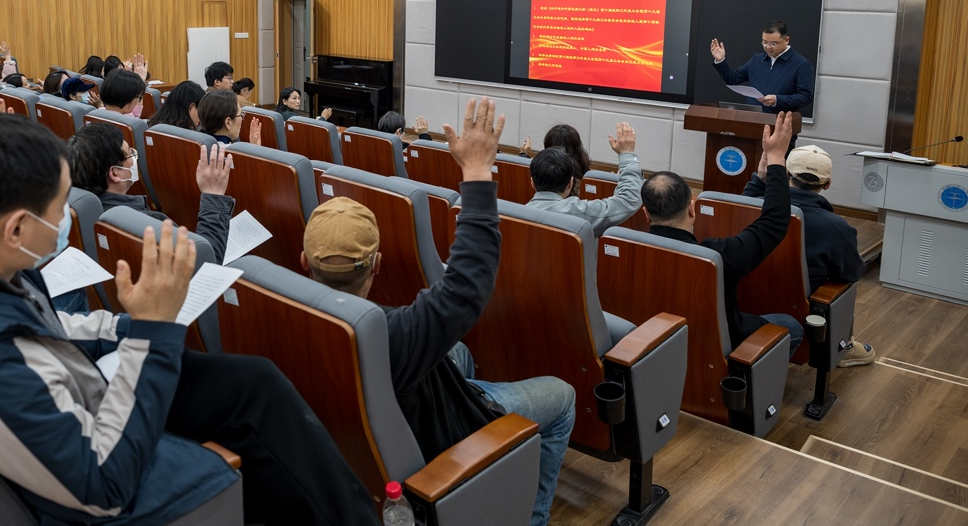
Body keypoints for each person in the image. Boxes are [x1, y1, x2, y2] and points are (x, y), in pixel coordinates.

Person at [0, 113, 377, 526]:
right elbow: (103, 484)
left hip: (83, 391)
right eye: (59, 208)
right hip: (107, 473)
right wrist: (152, 332)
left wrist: (126, 325)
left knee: (253, 382)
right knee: (255, 412)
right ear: (16, 229)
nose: (66, 218)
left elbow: (50, 330)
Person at [300, 97, 574, 526]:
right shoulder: (393, 333)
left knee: (458, 352)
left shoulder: (286, 315)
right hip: (441, 434)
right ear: (377, 265)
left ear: (303, 262)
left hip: (389, 418)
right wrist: (477, 172)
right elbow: (466, 285)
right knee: (563, 395)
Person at [642, 111, 804, 352]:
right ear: (692, 208)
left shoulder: (628, 249)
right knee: (791, 325)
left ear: (646, 214)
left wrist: (760, 180)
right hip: (717, 347)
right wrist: (776, 158)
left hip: (652, 343)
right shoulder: (715, 256)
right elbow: (775, 222)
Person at [743, 144, 873, 367]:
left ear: (785, 174)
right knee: (841, 288)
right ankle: (844, 347)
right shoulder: (836, 227)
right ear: (827, 184)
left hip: (744, 303)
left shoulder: (750, 208)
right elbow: (852, 273)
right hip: (801, 314)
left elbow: (744, 203)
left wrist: (760, 180)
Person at [67, 123, 233, 262]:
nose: (135, 158)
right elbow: (208, 263)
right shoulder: (151, 225)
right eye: (130, 154)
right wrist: (213, 195)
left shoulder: (79, 213)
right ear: (115, 172)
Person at [528, 123, 642, 236]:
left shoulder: (518, 215)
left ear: (532, 182)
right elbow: (628, 200)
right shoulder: (579, 214)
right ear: (570, 183)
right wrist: (627, 155)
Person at [711, 21, 815, 115]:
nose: (768, 47)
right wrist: (721, 60)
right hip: (752, 119)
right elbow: (733, 79)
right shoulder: (757, 60)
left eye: (773, 43)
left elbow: (805, 97)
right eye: (764, 42)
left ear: (786, 40)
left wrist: (777, 100)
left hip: (779, 122)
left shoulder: (801, 64)